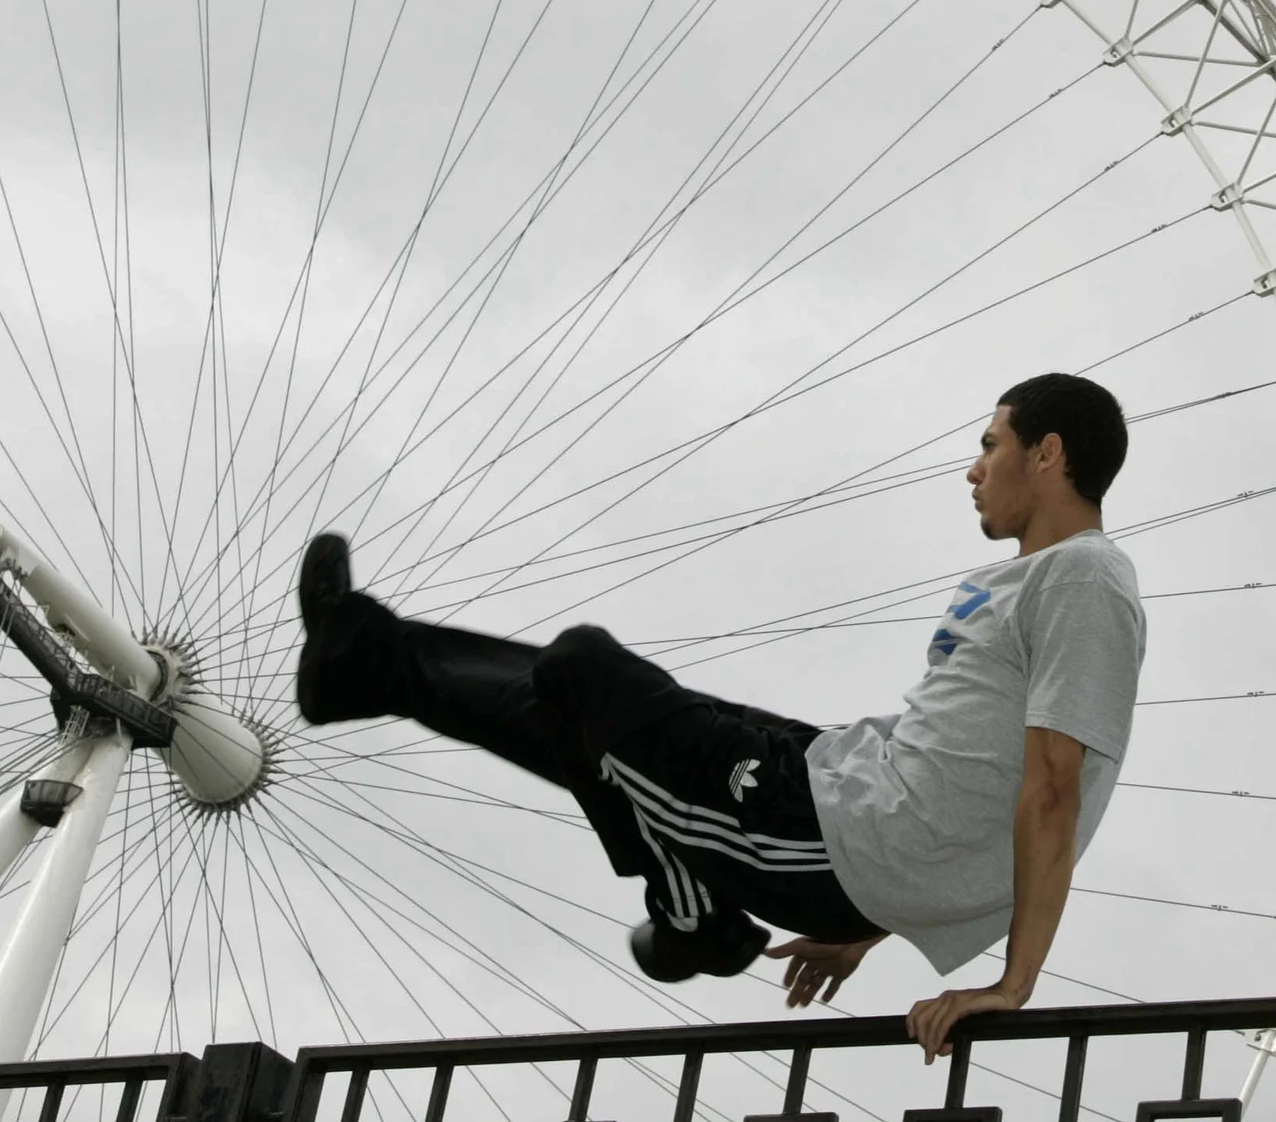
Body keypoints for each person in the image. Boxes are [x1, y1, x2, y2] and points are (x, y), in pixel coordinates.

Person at [291, 372, 1144, 1062]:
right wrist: (871, 928)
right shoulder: (1043, 580)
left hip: (828, 832)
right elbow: (974, 786)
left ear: (1048, 452)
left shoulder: (1082, 579)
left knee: (585, 670)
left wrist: (1011, 983)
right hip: (836, 788)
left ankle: (695, 916)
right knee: (585, 710)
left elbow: (1052, 791)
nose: (973, 467)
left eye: (989, 444)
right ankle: (358, 662)